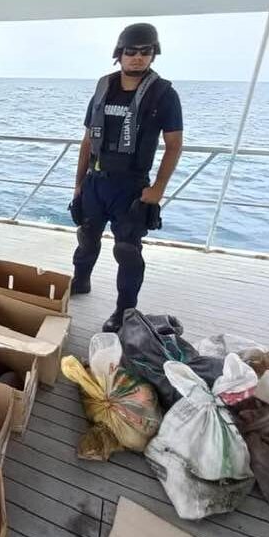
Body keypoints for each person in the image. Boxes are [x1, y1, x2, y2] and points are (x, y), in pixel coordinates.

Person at [70, 23, 183, 332]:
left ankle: (125, 310)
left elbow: (173, 145)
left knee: (128, 251)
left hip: (132, 186)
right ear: (119, 55)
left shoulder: (164, 95)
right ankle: (80, 281)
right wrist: (79, 183)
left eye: (145, 52)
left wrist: (158, 188)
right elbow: (86, 140)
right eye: (130, 52)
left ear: (153, 55)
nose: (137, 58)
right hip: (96, 180)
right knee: (86, 236)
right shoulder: (103, 87)